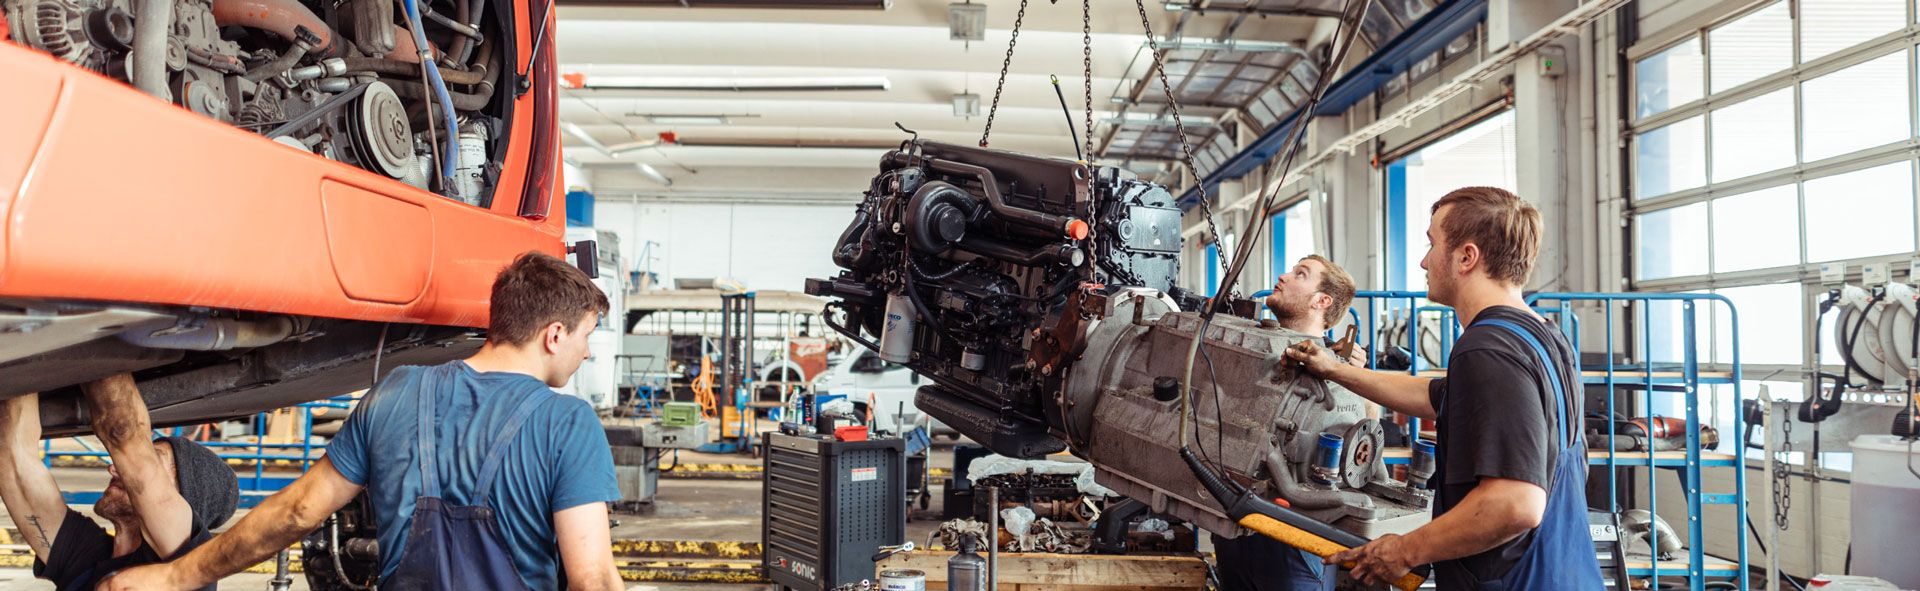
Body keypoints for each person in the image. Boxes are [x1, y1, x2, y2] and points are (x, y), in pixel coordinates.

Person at [102, 251, 625, 591]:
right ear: (554, 335)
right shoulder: (568, 423)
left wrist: (174, 577)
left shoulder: (397, 392)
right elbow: (594, 579)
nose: (585, 353)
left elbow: (297, 511)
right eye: (585, 336)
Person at [1284, 187, 1605, 590]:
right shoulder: (1541, 335)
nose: (1423, 260)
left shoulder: (1487, 349)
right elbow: (1436, 397)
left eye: (1432, 244)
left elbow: (1515, 504)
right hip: (1565, 570)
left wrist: (1405, 550)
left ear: (1466, 257)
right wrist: (1333, 369)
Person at [0, 374, 239, 591]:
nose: (113, 468)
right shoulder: (88, 558)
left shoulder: (187, 573)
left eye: (154, 458)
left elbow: (122, 430)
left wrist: (89, 334)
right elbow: (13, 456)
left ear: (183, 497)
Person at [1210, 254, 1360, 591]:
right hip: (1233, 523)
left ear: (1322, 301)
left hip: (1295, 538)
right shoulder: (1254, 352)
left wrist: (1354, 373)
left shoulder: (1341, 374)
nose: (1284, 275)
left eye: (1300, 274)